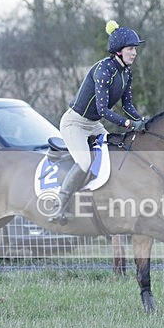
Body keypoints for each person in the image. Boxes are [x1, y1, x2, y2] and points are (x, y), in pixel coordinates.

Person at [50, 20, 147, 219]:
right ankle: (59, 207)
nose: (134, 53)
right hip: (75, 124)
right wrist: (129, 124)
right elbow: (103, 109)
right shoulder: (104, 71)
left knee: (112, 156)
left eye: (135, 49)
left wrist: (142, 120)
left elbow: (127, 105)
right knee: (85, 162)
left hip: (93, 125)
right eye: (131, 49)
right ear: (119, 51)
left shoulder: (126, 73)